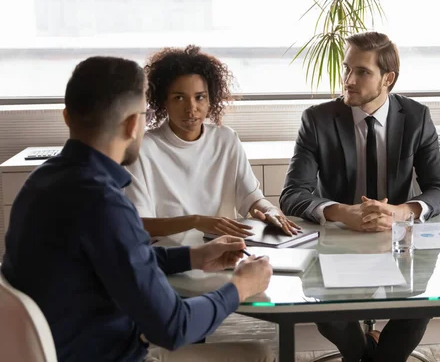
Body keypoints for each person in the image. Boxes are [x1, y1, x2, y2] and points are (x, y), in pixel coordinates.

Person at [1, 56, 275, 362]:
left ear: (67, 116)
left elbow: (117, 257)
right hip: (111, 356)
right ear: (133, 124)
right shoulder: (105, 204)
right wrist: (241, 286)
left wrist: (192, 256)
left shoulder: (39, 182)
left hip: (61, 348)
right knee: (259, 354)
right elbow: (174, 326)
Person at [280, 31, 440, 362]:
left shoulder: (416, 117)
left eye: (361, 72)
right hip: (339, 241)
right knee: (330, 315)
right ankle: (363, 354)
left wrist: (402, 211)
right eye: (347, 69)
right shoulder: (317, 119)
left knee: (420, 308)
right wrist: (340, 212)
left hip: (399, 241)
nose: (348, 80)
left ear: (387, 78)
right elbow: (293, 194)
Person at [125, 45, 299, 245]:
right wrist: (196, 221)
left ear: (210, 100)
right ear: (164, 101)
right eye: (179, 98)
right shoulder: (143, 149)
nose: (191, 108)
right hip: (170, 257)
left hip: (225, 253)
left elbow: (251, 199)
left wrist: (271, 210)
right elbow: (139, 224)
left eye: (200, 97)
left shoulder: (226, 140)